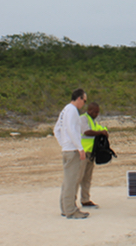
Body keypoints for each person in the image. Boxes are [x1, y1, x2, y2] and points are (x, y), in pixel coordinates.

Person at [54, 88, 89, 219]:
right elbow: (71, 130)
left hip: (67, 149)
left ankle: (65, 208)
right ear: (79, 98)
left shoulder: (65, 110)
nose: (84, 104)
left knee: (67, 180)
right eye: (84, 100)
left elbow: (56, 129)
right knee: (71, 181)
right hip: (72, 150)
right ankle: (71, 210)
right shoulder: (72, 110)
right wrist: (79, 148)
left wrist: (63, 144)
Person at [79, 101, 108, 208]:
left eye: (98, 112)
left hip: (91, 154)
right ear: (90, 110)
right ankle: (70, 201)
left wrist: (104, 131)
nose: (97, 114)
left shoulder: (94, 122)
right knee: (78, 177)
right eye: (95, 112)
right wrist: (100, 133)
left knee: (87, 178)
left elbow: (101, 129)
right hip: (82, 153)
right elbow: (87, 132)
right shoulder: (83, 119)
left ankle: (85, 199)